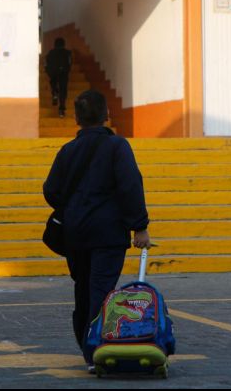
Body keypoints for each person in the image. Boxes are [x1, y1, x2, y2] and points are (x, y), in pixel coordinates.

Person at [42, 89, 151, 371]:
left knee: (83, 289)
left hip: (75, 234)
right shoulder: (117, 147)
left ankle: (86, 345)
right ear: (107, 115)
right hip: (108, 234)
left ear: (77, 119)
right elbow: (130, 185)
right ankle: (95, 350)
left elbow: (51, 190)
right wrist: (139, 226)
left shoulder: (67, 151)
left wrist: (74, 207)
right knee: (102, 290)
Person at [44, 37, 72, 117]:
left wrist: (48, 72)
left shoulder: (50, 53)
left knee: (53, 83)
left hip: (53, 72)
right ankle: (61, 110)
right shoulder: (68, 53)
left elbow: (46, 64)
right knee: (63, 90)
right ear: (64, 44)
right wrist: (67, 71)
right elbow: (69, 63)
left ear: (55, 44)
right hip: (63, 73)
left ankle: (54, 94)